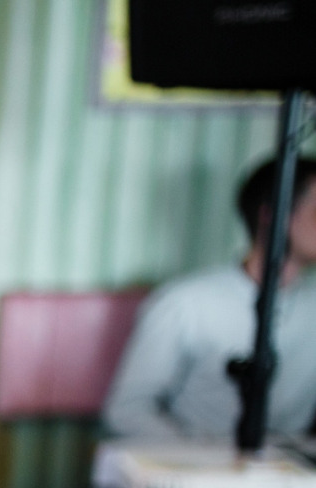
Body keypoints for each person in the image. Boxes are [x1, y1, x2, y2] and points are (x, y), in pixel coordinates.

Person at [102, 155, 316, 441]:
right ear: (271, 215)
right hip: (201, 467)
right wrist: (201, 459)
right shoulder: (185, 303)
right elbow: (127, 411)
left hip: (292, 472)